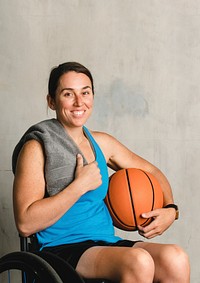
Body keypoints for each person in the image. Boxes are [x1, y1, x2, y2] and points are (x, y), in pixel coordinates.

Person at [12, 62, 190, 283]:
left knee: (176, 258)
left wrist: (170, 209)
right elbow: (25, 222)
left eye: (85, 92)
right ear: (51, 101)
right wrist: (79, 186)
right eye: (68, 94)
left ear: (92, 97)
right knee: (139, 261)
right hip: (61, 248)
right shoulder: (36, 147)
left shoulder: (102, 143)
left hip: (105, 243)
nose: (79, 102)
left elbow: (151, 171)